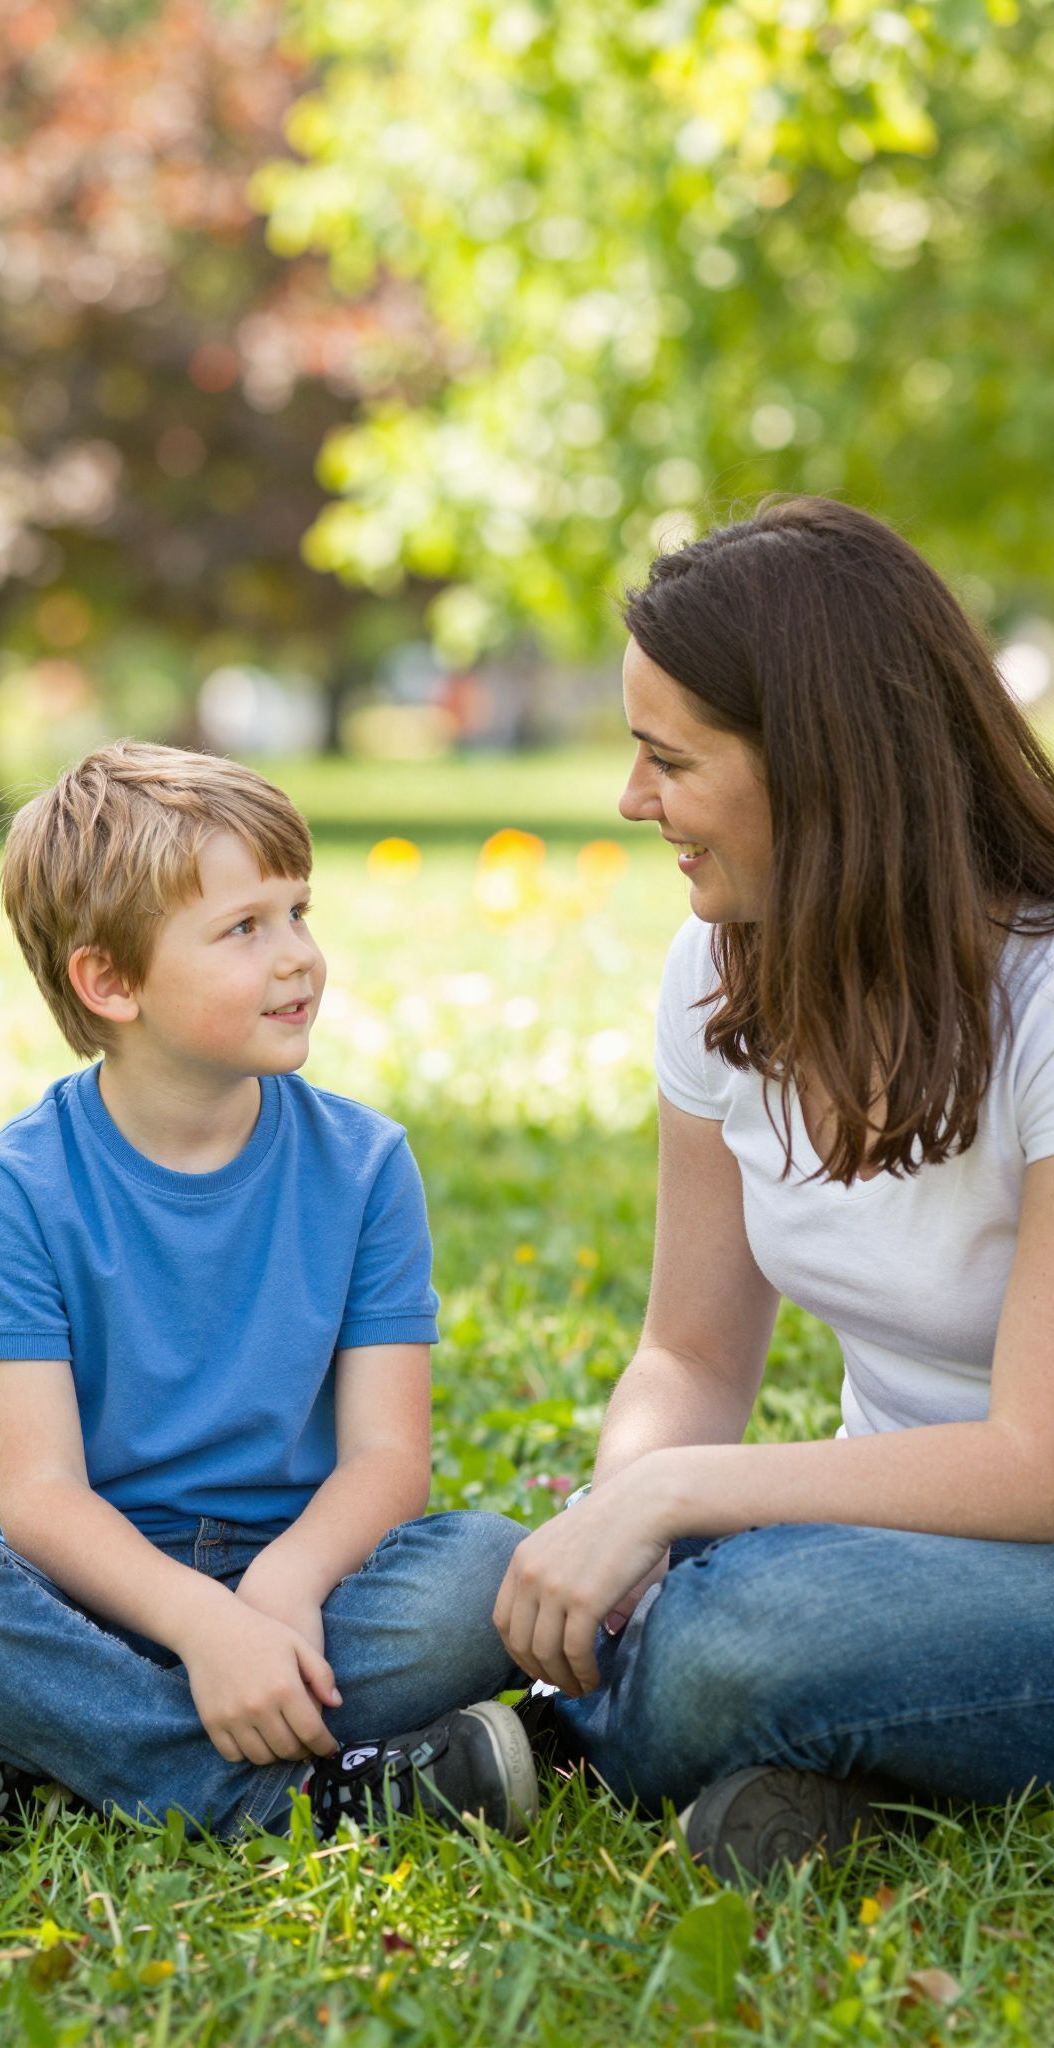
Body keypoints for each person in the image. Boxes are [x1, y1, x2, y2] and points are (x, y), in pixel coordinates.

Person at [496, 496, 1054, 1882]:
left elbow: (1038, 1461)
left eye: (666, 758)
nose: (633, 801)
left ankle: (536, 1746)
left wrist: (676, 1501)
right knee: (482, 1573)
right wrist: (622, 1518)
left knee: (754, 1631)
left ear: (820, 770)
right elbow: (688, 1350)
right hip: (872, 1553)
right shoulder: (721, 968)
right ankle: (820, 1773)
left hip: (996, 1557)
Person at [0, 741, 534, 1842]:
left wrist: (279, 1589)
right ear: (111, 980)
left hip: (300, 1595)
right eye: (245, 927)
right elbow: (40, 1496)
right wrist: (198, 1623)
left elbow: (388, 1458)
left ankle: (48, 1755)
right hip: (77, 1599)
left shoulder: (367, 1164)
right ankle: (282, 1793)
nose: (298, 957)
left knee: (491, 1568)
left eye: (299, 910)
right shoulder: (15, 1185)